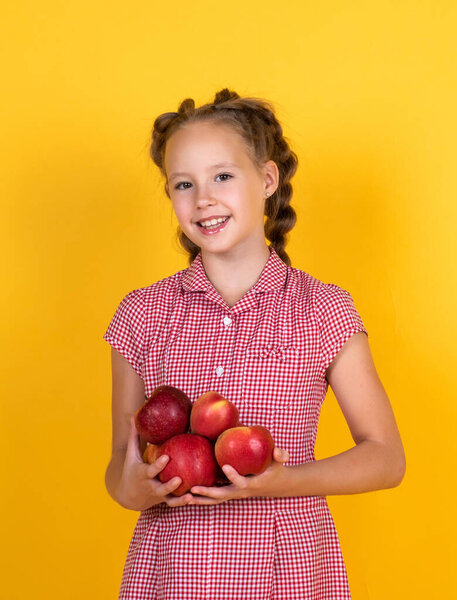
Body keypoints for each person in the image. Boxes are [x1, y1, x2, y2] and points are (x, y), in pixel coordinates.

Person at [103, 88, 406, 600]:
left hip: (286, 570)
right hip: (173, 573)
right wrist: (132, 488)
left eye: (222, 176)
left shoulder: (323, 310)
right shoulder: (141, 314)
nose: (203, 198)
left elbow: (386, 458)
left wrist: (282, 481)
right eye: (183, 183)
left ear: (267, 180)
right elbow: (120, 462)